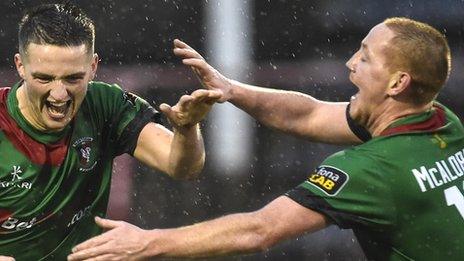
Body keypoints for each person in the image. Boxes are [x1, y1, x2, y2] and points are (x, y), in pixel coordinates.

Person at [68, 17, 463, 260]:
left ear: (397, 82)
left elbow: (260, 231)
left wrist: (146, 243)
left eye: (365, 56)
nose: (350, 63)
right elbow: (308, 114)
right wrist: (231, 89)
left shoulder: (370, 171)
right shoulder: (444, 122)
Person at [0, 3, 223, 260]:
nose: (59, 94)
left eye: (73, 78)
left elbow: (183, 167)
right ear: (20, 66)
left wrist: (186, 128)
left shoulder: (106, 105)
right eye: (44, 79)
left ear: (93, 67)